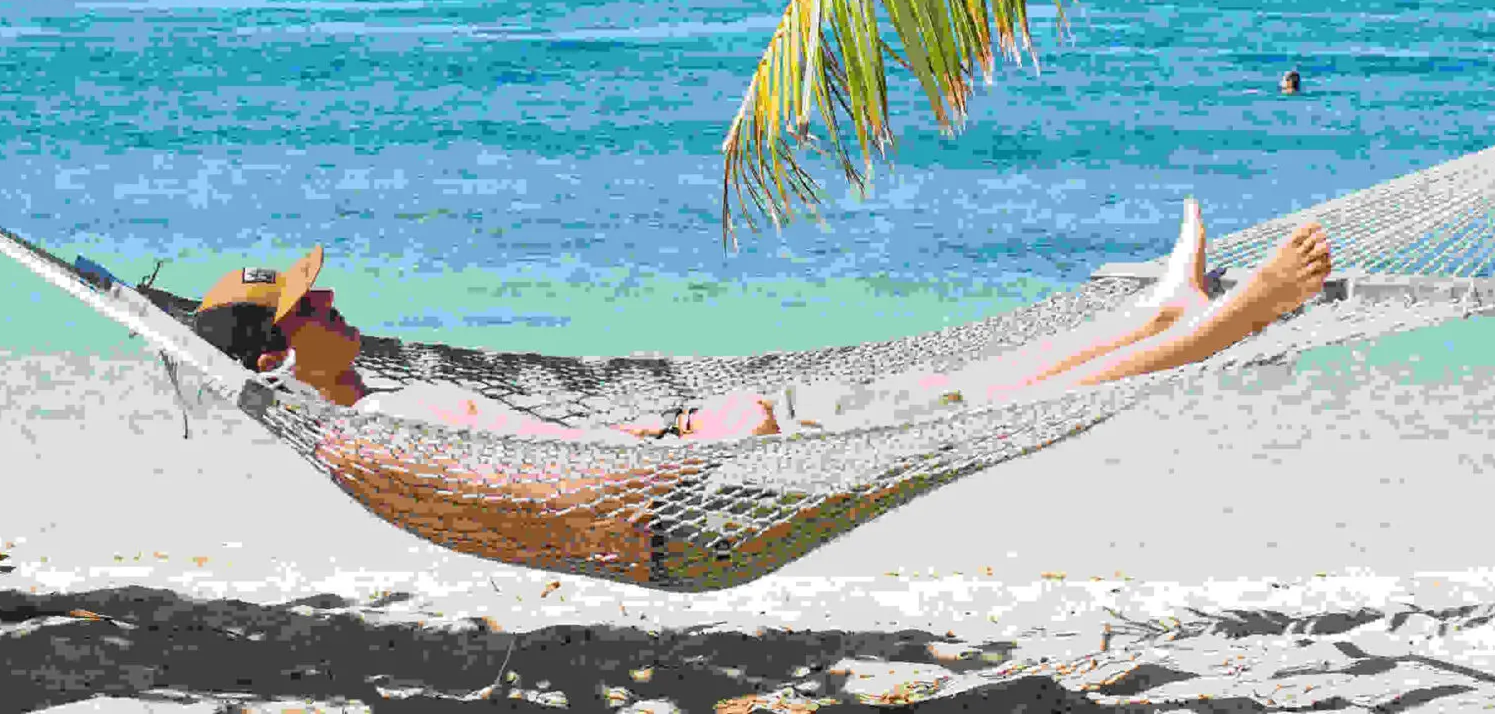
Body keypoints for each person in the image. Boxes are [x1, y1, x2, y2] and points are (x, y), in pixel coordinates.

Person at [190, 209, 1335, 443]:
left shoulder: (387, 407)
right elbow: (541, 480)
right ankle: (1236, 314)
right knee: (1020, 392)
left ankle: (1168, 309)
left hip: (742, 427)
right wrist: (671, 448)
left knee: (1005, 374)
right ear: (284, 351)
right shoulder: (391, 428)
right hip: (751, 451)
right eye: (316, 308)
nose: (340, 304)